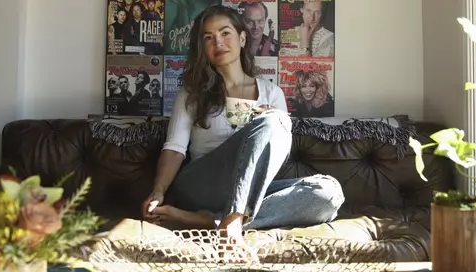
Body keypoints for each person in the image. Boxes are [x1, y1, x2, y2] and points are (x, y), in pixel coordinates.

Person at [141, 5, 344, 247]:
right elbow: (175, 148)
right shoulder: (192, 94)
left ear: (242, 37)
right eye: (208, 37)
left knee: (328, 193)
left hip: (248, 190)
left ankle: (215, 220)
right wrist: (158, 191)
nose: (218, 42)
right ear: (203, 48)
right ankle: (233, 219)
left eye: (225, 33)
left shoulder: (271, 92)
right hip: (201, 184)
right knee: (275, 120)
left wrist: (271, 124)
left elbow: (276, 161)